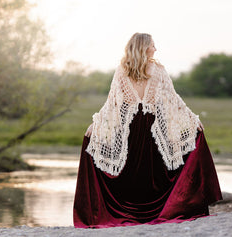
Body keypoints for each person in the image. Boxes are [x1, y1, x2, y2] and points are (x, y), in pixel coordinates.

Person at [73, 33, 222, 228]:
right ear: (144, 48)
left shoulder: (140, 70)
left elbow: (170, 98)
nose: (155, 49)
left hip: (144, 130)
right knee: (145, 175)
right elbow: (114, 102)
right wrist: (97, 123)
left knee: (143, 173)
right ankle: (150, 212)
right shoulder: (135, 70)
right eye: (153, 45)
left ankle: (135, 214)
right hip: (140, 130)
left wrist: (192, 120)